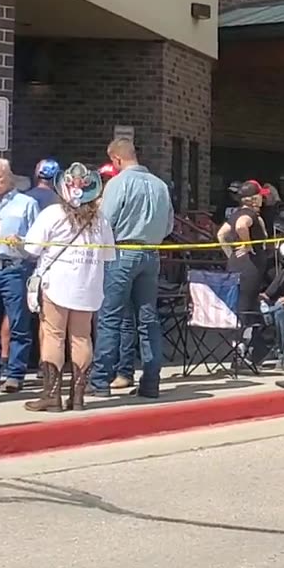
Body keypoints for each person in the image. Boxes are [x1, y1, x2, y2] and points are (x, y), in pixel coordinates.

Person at [16, 163, 116, 412]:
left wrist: (17, 244)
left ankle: (52, 395)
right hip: (89, 285)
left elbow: (31, 250)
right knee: (82, 338)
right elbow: (108, 256)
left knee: (53, 335)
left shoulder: (51, 214)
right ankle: (78, 396)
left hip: (57, 284)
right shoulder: (100, 221)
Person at [91, 137, 174, 399]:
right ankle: (151, 381)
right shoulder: (160, 185)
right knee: (148, 318)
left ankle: (100, 381)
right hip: (151, 254)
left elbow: (105, 221)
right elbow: (169, 225)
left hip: (122, 250)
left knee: (110, 318)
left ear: (116, 159)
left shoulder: (118, 183)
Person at [0, 158, 41, 393]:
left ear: (9, 176)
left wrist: (22, 243)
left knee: (18, 324)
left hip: (15, 268)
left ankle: (15, 374)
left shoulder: (27, 203)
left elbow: (38, 240)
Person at [219, 180, 273, 364]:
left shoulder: (235, 214)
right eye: (261, 196)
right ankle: (241, 349)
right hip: (250, 268)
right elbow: (242, 226)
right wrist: (248, 245)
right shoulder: (249, 215)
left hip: (235, 265)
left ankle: (248, 348)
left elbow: (221, 234)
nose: (263, 200)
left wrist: (230, 254)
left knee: (241, 306)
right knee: (246, 307)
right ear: (253, 199)